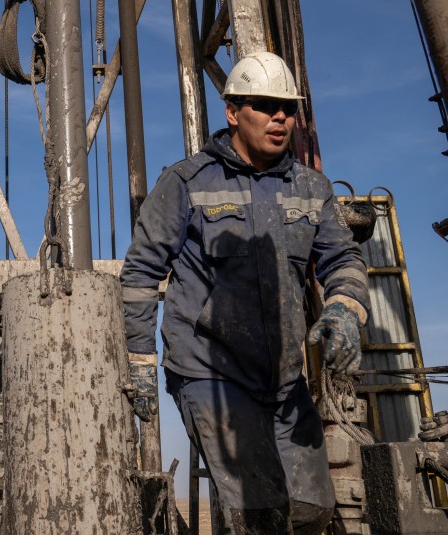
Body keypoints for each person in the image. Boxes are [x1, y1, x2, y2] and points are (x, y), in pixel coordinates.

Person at [120, 52, 370, 535]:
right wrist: (140, 361)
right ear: (233, 111)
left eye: (287, 109)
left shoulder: (311, 188)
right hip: (210, 375)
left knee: (312, 510)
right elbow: (140, 272)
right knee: (259, 516)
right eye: (264, 106)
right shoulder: (187, 182)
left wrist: (343, 308)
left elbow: (344, 259)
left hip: (283, 378)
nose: (280, 118)